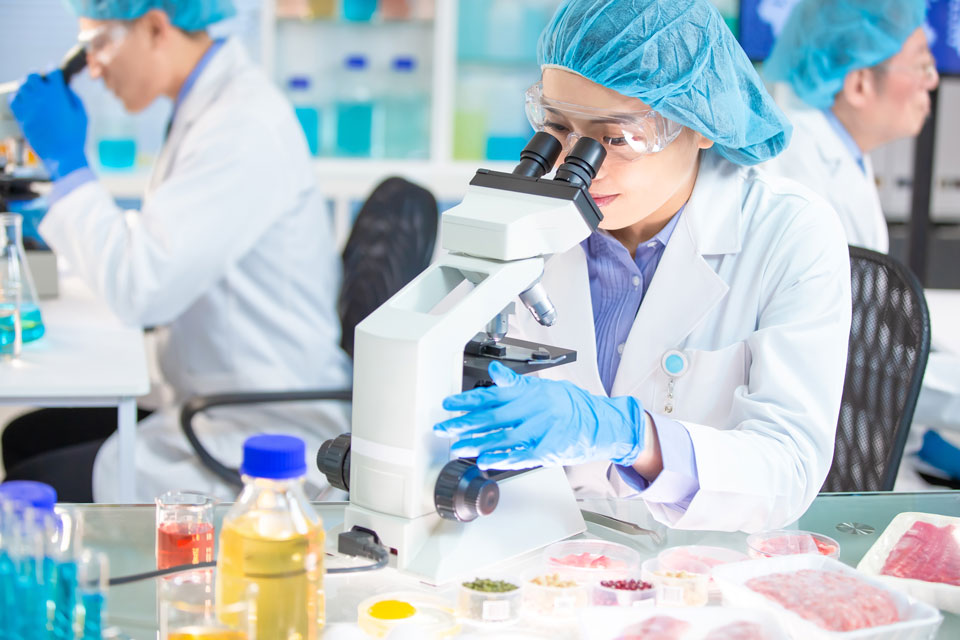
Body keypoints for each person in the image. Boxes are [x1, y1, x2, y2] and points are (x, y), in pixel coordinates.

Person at [433, 0, 852, 532]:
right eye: (558, 127)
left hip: (702, 565)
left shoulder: (789, 233)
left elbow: (788, 468)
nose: (576, 164)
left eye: (618, 137)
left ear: (703, 123)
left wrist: (633, 436)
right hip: (541, 542)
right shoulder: (515, 220)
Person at [5, 0, 350, 502]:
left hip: (259, 420)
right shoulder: (208, 109)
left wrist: (66, 166)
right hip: (210, 396)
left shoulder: (241, 124)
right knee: (25, 435)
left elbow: (142, 286)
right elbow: (165, 243)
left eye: (98, 44)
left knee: (28, 487)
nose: (92, 68)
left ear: (155, 27)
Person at [761, 0, 939, 253]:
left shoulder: (844, 147)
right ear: (859, 85)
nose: (932, 81)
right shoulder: (793, 170)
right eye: (922, 67)